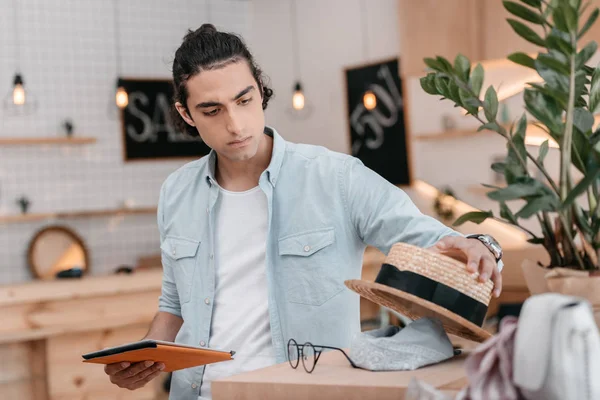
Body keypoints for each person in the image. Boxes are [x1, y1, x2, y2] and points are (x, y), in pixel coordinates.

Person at [104, 24, 504, 400]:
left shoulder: (336, 177)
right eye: (212, 111)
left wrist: (480, 244)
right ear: (187, 114)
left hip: (302, 391)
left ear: (260, 90)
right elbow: (174, 304)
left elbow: (425, 237)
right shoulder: (176, 192)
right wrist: (145, 357)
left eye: (244, 100)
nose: (236, 123)